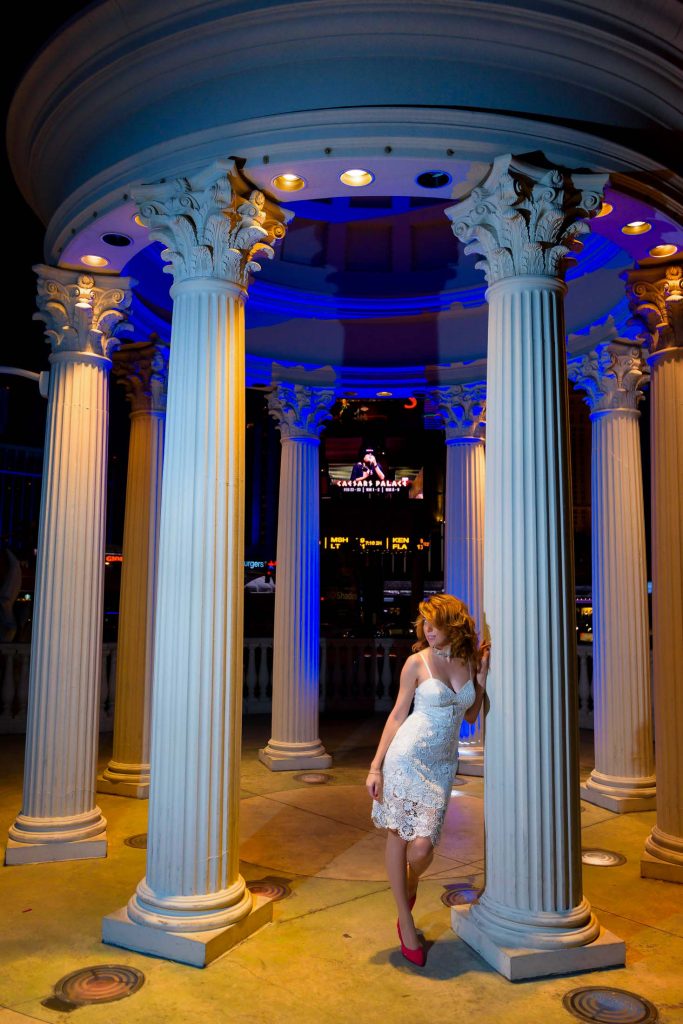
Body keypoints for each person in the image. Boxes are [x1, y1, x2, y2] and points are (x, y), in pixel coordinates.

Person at [367, 593, 490, 966]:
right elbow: (396, 716)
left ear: (452, 625)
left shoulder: (468, 661)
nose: (427, 629)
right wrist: (375, 766)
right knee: (399, 835)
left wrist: (481, 677)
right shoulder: (415, 662)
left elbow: (469, 716)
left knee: (422, 849)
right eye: (424, 623)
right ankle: (405, 921)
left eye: (433, 623)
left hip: (440, 767)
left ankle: (411, 883)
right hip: (406, 758)